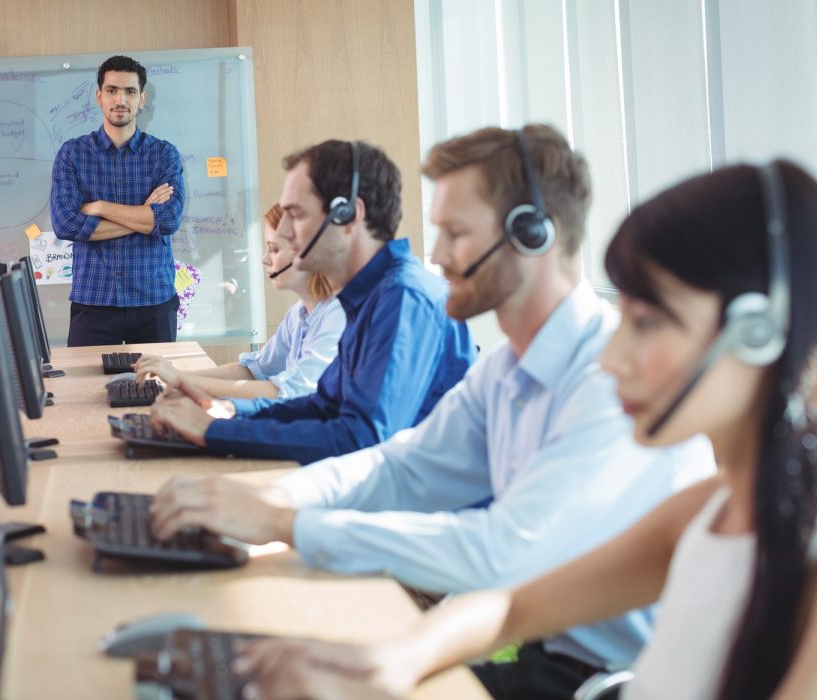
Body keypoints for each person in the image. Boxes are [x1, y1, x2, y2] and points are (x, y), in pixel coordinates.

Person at [235, 160, 817, 700]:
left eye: (648, 323)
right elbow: (512, 610)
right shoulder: (709, 508)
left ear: (759, 333)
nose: (613, 357)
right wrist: (391, 660)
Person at [150, 125, 714, 695]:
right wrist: (274, 499)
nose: (437, 255)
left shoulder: (609, 382)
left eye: (456, 233)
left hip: (618, 682)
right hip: (549, 654)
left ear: (532, 234)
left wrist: (286, 523)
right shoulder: (507, 370)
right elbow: (403, 466)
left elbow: (500, 552)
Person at [148, 139, 476, 464]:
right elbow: (322, 407)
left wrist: (214, 431)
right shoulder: (364, 297)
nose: (284, 231)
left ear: (348, 214)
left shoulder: (404, 299)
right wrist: (228, 411)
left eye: (297, 214)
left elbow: (360, 438)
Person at [136, 203, 345, 400]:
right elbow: (255, 371)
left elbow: (287, 392)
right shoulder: (299, 314)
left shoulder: (338, 315)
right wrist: (175, 374)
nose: (265, 259)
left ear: (309, 254)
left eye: (274, 249)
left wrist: (180, 380)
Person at [50, 54, 186, 346]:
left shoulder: (164, 154)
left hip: (154, 299)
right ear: (99, 97)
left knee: (157, 377)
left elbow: (168, 220)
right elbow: (66, 224)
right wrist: (144, 216)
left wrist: (98, 208)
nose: (120, 99)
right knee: (83, 379)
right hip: (93, 299)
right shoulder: (72, 154)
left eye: (130, 91)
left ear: (142, 99)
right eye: (112, 90)